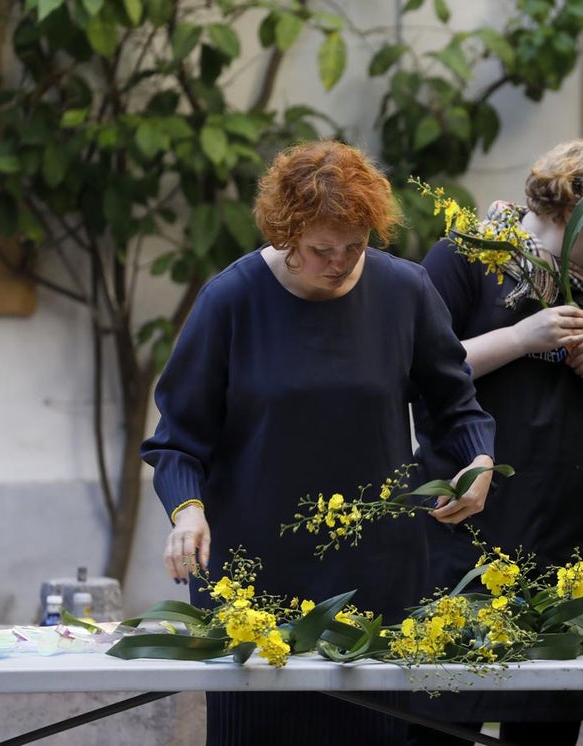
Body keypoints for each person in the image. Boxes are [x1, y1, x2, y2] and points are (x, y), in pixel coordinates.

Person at [140, 139, 496, 745]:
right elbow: (177, 443)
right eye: (321, 250)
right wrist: (187, 510)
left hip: (377, 575)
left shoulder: (405, 292)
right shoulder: (231, 300)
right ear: (286, 235)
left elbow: (457, 407)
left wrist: (478, 461)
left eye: (355, 247)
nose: (340, 263)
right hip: (255, 579)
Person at [407, 139, 583, 746]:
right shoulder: (467, 259)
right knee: (443, 716)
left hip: (569, 535)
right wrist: (521, 337)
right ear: (571, 210)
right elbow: (417, 372)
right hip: (469, 528)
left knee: (546, 725)